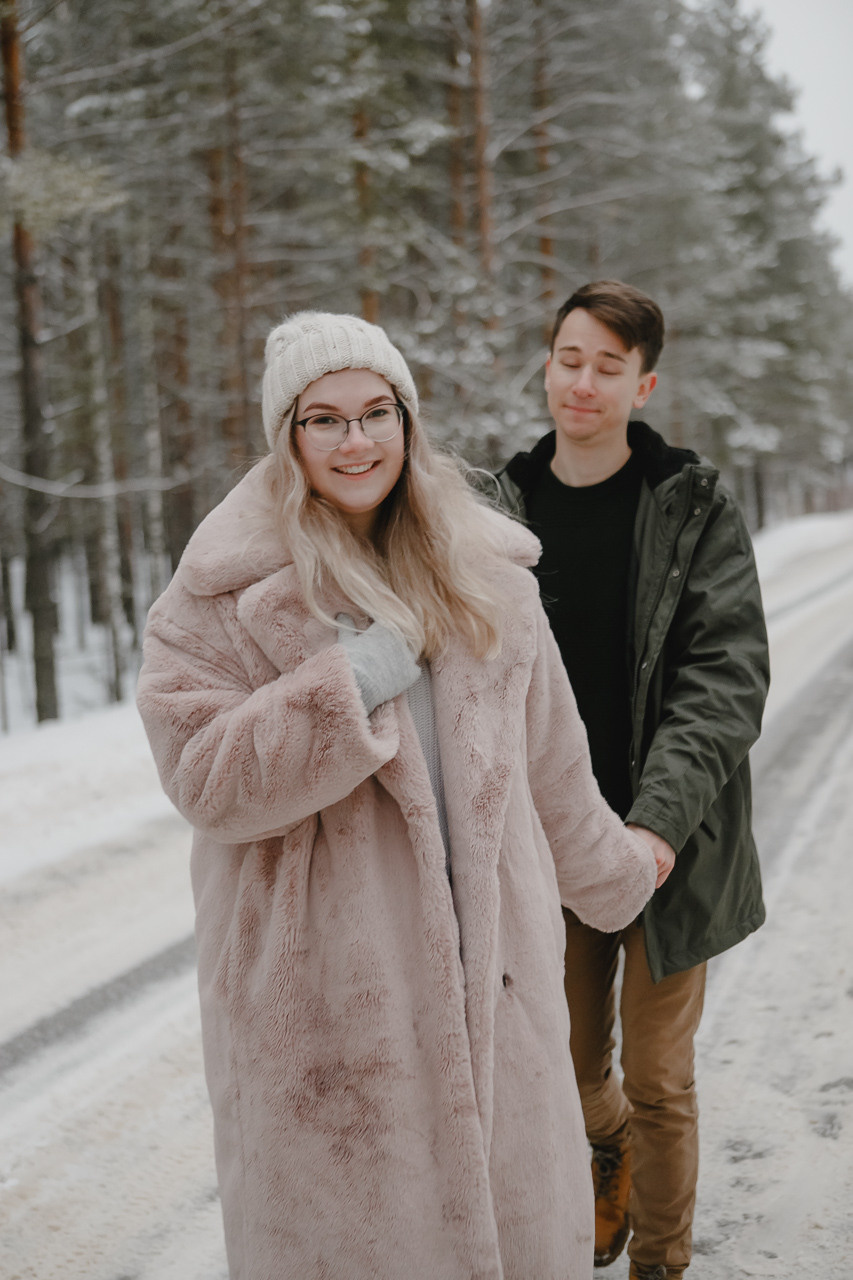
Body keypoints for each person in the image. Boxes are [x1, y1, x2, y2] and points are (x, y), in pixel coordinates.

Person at [136, 310, 660, 1280]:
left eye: (376, 412)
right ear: (286, 435)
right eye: (323, 419)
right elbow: (206, 781)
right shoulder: (216, 597)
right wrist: (349, 681)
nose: (356, 440)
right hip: (329, 1024)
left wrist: (628, 874)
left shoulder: (488, 578)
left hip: (498, 1001)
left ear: (408, 423)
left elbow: (550, 769)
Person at [495, 281, 770, 1280]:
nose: (582, 381)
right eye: (569, 357)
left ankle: (661, 1261)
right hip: (545, 846)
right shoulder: (495, 511)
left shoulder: (692, 507)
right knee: (564, 1073)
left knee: (658, 1078)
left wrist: (652, 829)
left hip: (668, 849)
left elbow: (726, 674)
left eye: (608, 366)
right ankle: (601, 1144)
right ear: (547, 361)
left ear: (641, 382)